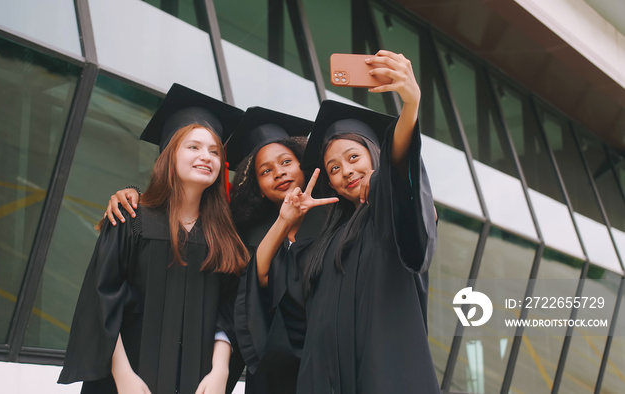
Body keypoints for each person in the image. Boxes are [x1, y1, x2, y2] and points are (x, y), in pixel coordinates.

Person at [105, 106, 335, 393]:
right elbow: (244, 297)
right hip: (274, 371)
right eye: (265, 170)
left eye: (286, 161)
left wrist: (220, 369)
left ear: (303, 162)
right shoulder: (240, 234)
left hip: (332, 361)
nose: (279, 173)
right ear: (257, 186)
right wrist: (131, 193)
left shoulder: (337, 220)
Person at [257, 50, 439, 393]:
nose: (346, 172)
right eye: (334, 169)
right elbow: (272, 286)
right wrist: (285, 223)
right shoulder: (324, 245)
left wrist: (411, 105)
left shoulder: (386, 219)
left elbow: (400, 171)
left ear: (375, 154)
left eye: (353, 157)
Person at [58, 84, 250, 394]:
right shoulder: (130, 219)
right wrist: (123, 377)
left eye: (215, 151)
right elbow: (101, 300)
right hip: (128, 382)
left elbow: (227, 312)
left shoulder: (223, 236)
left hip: (197, 382)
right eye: (194, 147)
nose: (206, 157)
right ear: (168, 153)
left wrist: (220, 371)